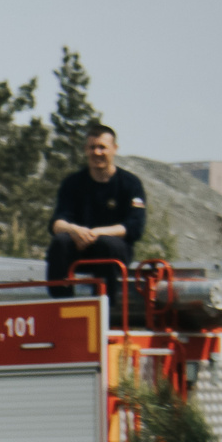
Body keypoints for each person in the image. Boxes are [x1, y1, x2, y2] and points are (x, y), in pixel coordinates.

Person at [47, 123, 147, 311]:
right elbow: (57, 222)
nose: (97, 152)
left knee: (106, 244)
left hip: (114, 248)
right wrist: (74, 230)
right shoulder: (73, 183)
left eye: (102, 147)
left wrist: (97, 233)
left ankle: (105, 309)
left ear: (114, 149)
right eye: (92, 147)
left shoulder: (130, 184)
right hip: (80, 243)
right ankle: (61, 306)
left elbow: (134, 226)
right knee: (60, 242)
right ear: (85, 150)